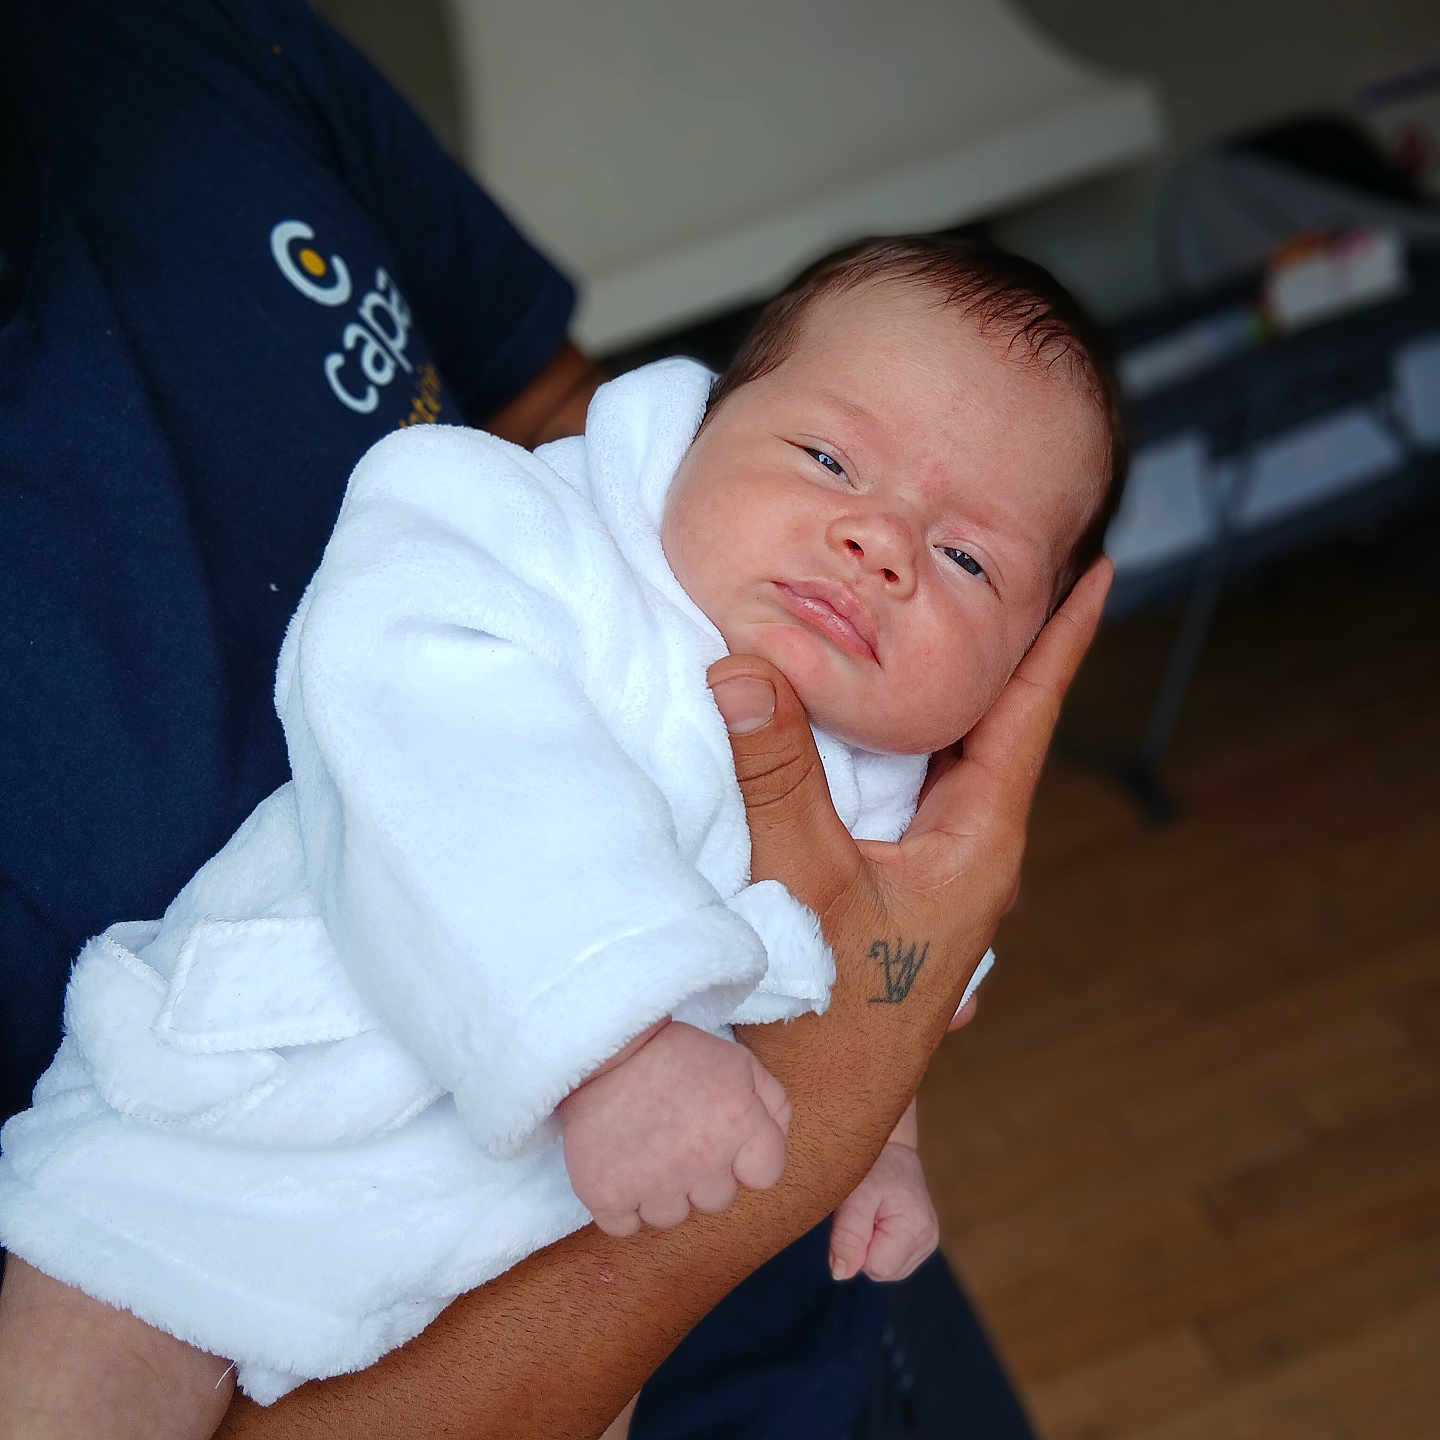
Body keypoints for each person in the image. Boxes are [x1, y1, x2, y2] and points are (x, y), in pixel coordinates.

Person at [0, 0, 1111, 1431]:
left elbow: (870, 1000)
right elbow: (443, 742)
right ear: (694, 432)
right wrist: (618, 1044)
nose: (881, 544)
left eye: (967, 559)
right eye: (831, 460)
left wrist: (878, 1142)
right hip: (226, 1138)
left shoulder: (186, 45)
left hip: (535, 1244)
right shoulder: (524, 541)